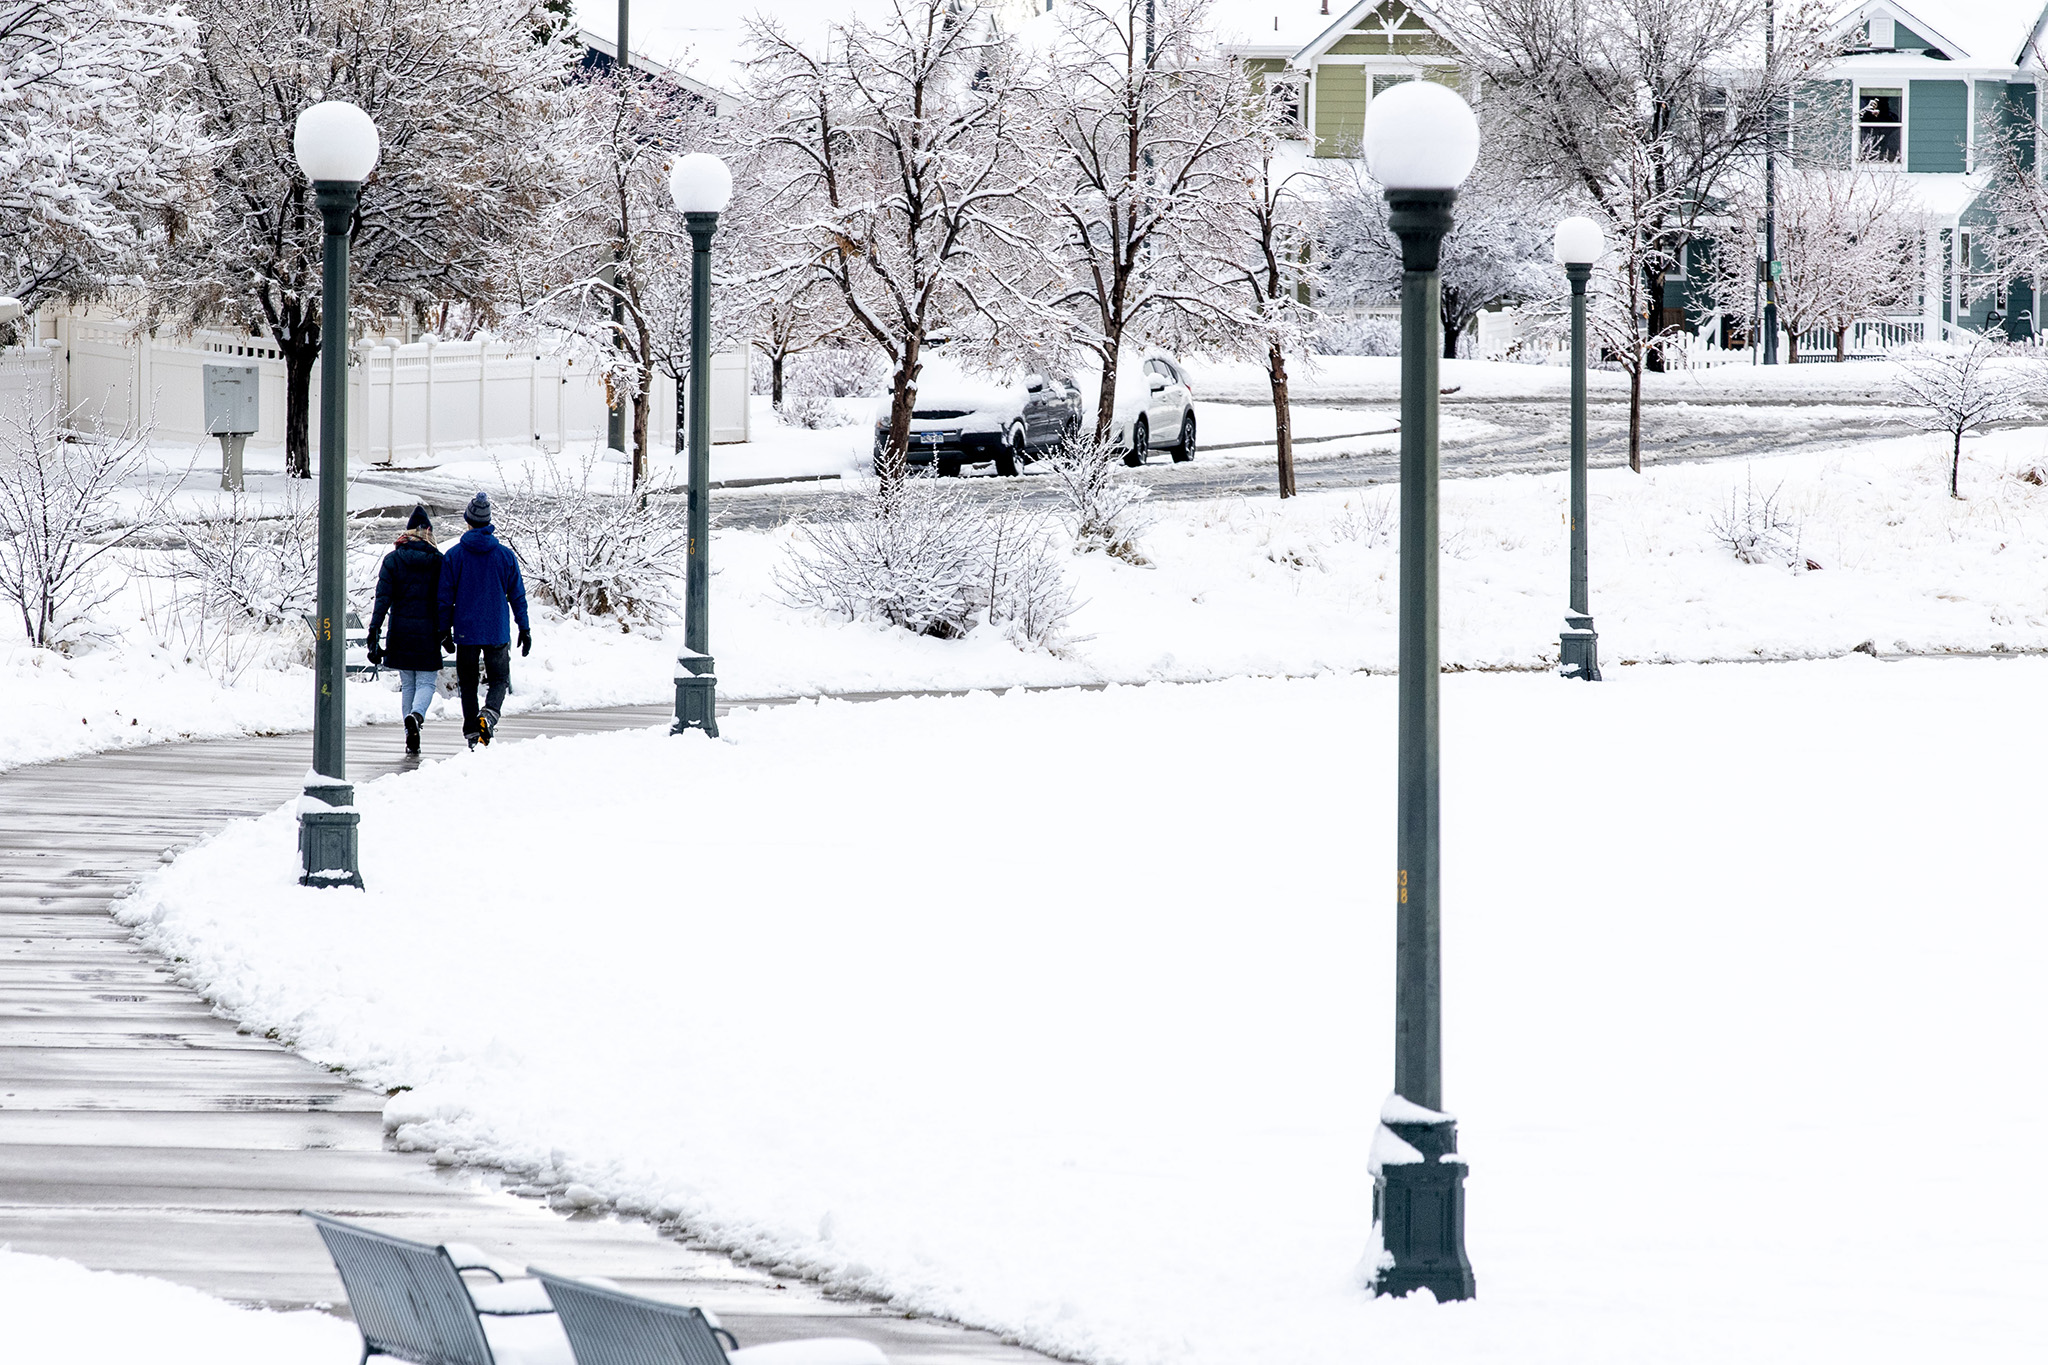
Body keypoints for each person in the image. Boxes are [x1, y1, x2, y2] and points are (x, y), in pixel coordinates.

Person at [438, 491, 531, 749]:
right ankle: (488, 715)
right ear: (488, 522)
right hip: (496, 630)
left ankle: (472, 733)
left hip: (466, 631)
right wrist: (524, 627)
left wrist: (444, 630)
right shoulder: (505, 556)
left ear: (468, 521)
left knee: (468, 684)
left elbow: (444, 598)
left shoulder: (454, 556)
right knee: (499, 679)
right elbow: (517, 595)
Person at [366, 505, 445, 756]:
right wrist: (446, 631)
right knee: (426, 682)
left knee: (408, 684)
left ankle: (410, 735)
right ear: (429, 532)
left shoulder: (393, 560)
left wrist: (374, 630)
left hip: (400, 631)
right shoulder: (438, 561)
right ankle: (417, 716)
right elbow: (444, 601)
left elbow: (382, 599)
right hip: (428, 632)